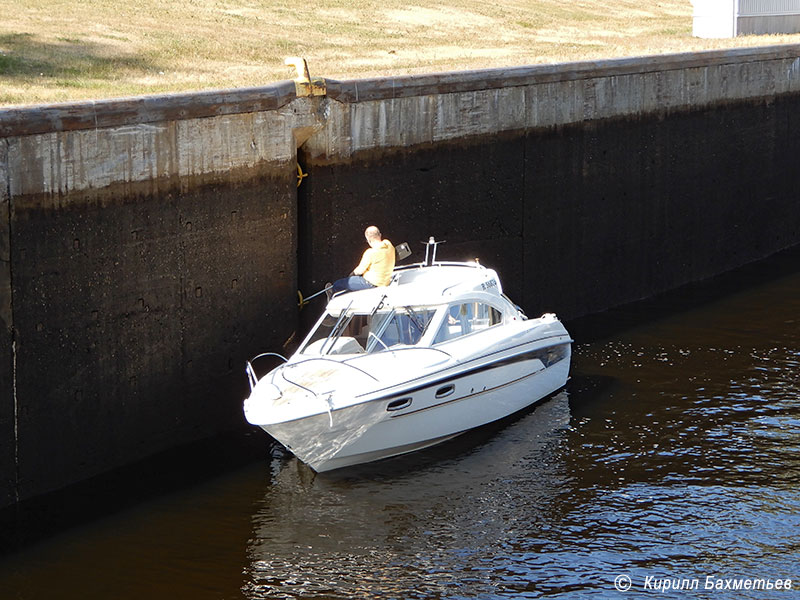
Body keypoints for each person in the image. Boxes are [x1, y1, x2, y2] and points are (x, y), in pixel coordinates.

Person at [329, 226, 395, 297]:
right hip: (385, 282)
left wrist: (350, 276)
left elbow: (359, 271)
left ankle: (331, 295)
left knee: (338, 284)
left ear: (368, 240)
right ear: (380, 235)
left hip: (372, 284)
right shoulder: (388, 244)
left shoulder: (370, 252)